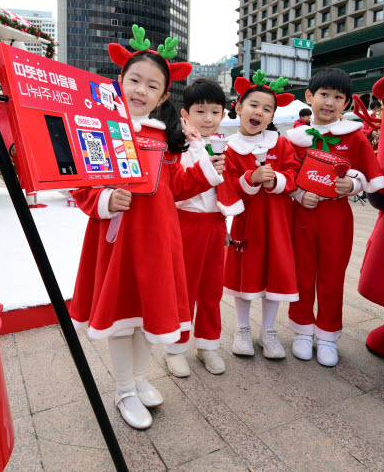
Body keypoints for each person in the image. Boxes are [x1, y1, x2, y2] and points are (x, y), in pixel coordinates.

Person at [69, 26, 224, 430]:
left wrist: (204, 161)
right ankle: (123, 390)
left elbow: (172, 189)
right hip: (118, 240)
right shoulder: (97, 126)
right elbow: (80, 183)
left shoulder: (163, 137)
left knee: (144, 316)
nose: (141, 90)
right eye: (134, 80)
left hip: (157, 242)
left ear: (163, 95)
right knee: (122, 319)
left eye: (152, 85)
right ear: (119, 81)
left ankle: (139, 380)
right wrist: (103, 200)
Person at [285, 69, 384, 366]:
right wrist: (300, 194)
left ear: (346, 104)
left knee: (332, 275)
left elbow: (370, 173)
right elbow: (286, 172)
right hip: (301, 214)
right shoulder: (294, 138)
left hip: (337, 218)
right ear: (310, 97)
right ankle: (302, 331)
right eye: (324, 95)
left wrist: (352, 185)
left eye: (337, 97)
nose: (329, 102)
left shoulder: (353, 137)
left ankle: (328, 335)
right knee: (302, 273)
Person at [164, 78, 244, 378]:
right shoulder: (178, 147)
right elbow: (177, 189)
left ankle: (208, 344)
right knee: (183, 291)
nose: (208, 118)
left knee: (211, 290)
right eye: (200, 111)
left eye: (214, 111)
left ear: (223, 114)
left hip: (214, 226)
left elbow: (227, 191)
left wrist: (225, 224)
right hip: (185, 225)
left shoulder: (225, 146)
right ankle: (175, 348)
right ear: (186, 114)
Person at [222, 71, 299, 359]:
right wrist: (250, 179)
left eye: (268, 109)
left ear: (272, 117)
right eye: (254, 105)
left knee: (274, 275)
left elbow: (294, 174)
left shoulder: (280, 143)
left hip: (278, 223)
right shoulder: (229, 148)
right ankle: (242, 329)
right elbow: (227, 188)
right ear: (239, 107)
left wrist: (277, 179)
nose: (260, 112)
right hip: (246, 224)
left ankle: (268, 331)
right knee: (246, 276)